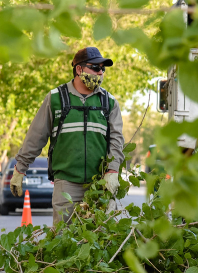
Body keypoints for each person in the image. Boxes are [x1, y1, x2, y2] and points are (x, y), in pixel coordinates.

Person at [9, 47, 124, 226]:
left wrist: (113, 170)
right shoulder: (56, 99)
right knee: (64, 240)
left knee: (100, 241)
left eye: (103, 69)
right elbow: (36, 135)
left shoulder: (108, 102)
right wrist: (20, 169)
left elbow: (116, 140)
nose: (100, 73)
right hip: (66, 184)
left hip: (100, 184)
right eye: (95, 68)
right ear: (79, 69)